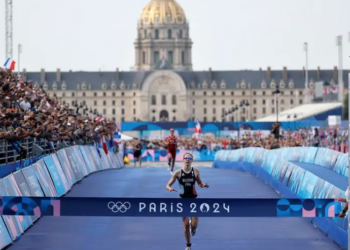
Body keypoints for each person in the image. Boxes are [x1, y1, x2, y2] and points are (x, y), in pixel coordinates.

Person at [166, 152, 209, 250]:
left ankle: (193, 226)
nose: (188, 159)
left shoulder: (196, 171)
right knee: (185, 224)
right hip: (182, 200)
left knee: (194, 224)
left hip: (194, 199)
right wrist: (169, 188)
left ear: (192, 160)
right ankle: (188, 245)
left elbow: (200, 183)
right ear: (183, 159)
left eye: (189, 158)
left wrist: (203, 185)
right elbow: (167, 185)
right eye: (186, 158)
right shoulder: (178, 173)